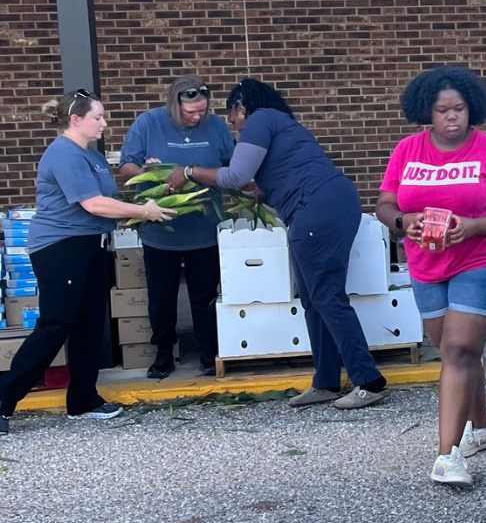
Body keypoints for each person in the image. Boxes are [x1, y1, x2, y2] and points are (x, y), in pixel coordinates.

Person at [164, 78, 387, 410]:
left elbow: (235, 176)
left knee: (327, 296)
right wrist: (260, 191)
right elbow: (261, 180)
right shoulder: (279, 124)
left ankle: (370, 381)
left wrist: (189, 170)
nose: (235, 127)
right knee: (314, 299)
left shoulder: (261, 118)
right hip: (325, 205)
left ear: (242, 107)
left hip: (316, 209)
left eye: (233, 119)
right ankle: (326, 381)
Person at [376, 66, 486, 488]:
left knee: (459, 349)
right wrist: (401, 221)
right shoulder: (407, 150)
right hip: (425, 264)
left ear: (471, 109)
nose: (451, 118)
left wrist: (474, 226)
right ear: (427, 112)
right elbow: (385, 203)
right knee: (452, 349)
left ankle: (448, 455)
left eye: (458, 109)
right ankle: (481, 427)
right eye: (442, 110)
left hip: (481, 260)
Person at [0, 89, 173, 435]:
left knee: (89, 326)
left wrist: (153, 180)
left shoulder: (90, 156)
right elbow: (93, 205)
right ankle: (4, 401)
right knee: (56, 325)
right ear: (76, 120)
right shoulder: (63, 154)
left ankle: (83, 400)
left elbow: (111, 199)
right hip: (61, 248)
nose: (104, 123)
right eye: (99, 117)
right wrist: (144, 212)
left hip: (92, 246)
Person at [119, 75, 234, 379]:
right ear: (174, 104)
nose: (197, 117)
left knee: (205, 294)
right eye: (190, 112)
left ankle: (209, 352)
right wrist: (150, 172)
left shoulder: (217, 127)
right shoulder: (148, 123)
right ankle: (163, 354)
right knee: (161, 296)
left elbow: (233, 168)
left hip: (205, 228)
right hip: (161, 230)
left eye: (202, 112)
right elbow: (126, 165)